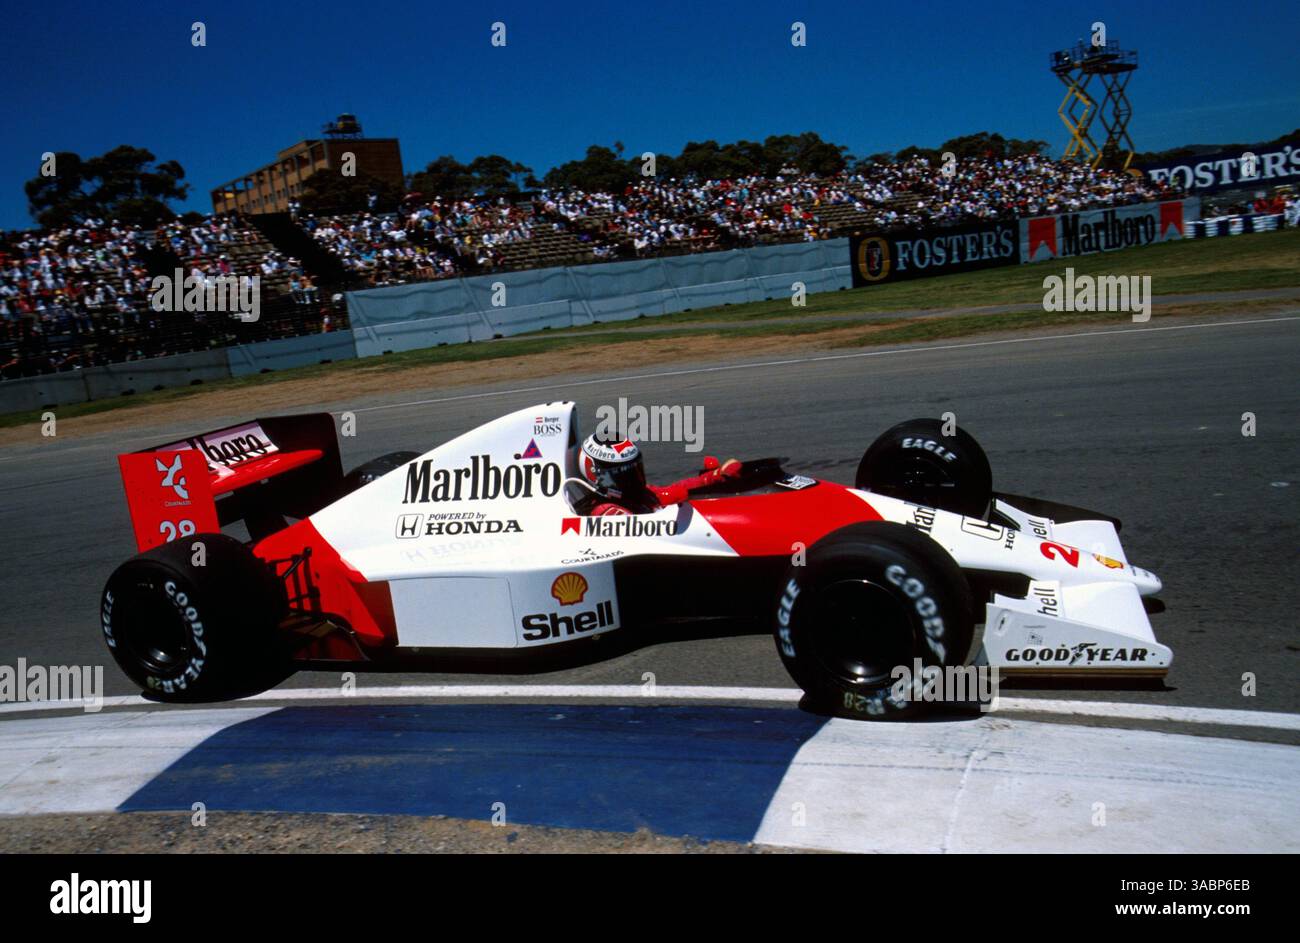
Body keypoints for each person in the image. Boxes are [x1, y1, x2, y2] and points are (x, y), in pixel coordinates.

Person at [577, 433, 742, 516]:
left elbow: (669, 491)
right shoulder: (607, 512)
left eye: (633, 470)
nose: (631, 480)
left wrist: (713, 477)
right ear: (594, 475)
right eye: (621, 474)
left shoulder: (634, 495)